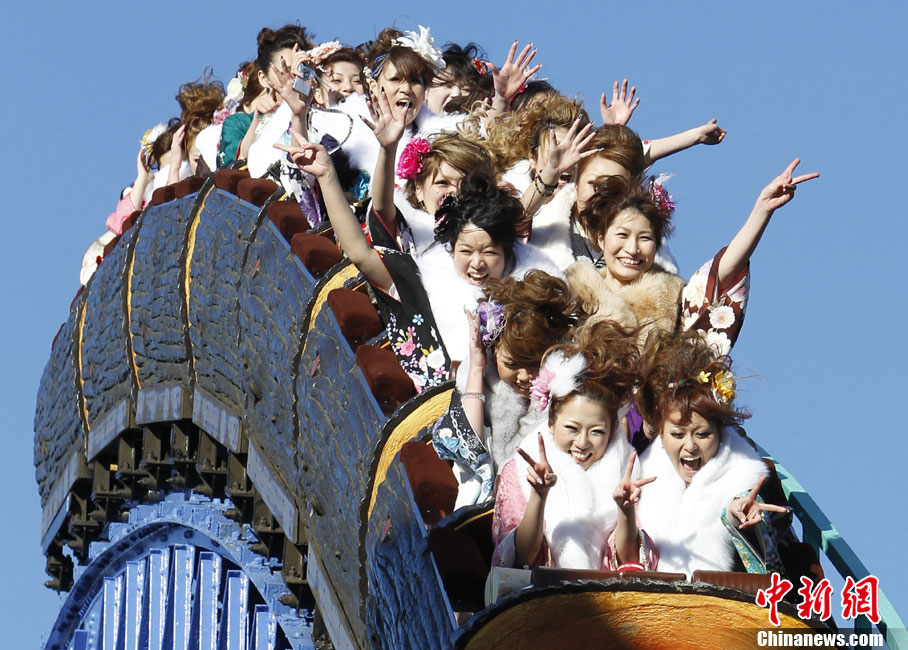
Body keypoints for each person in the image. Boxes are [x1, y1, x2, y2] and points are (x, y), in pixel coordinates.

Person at [566, 159, 819, 355]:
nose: (632, 249)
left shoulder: (673, 295)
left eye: (644, 238)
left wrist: (761, 210)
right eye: (622, 235)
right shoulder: (572, 292)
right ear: (601, 239)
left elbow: (722, 272)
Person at [607, 331, 791, 575]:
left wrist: (740, 517)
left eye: (702, 434)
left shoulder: (746, 474)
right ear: (661, 434)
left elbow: (748, 511)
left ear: (721, 432)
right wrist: (625, 511)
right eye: (677, 435)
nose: (690, 446)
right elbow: (629, 560)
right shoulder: (645, 477)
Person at [490, 325, 641, 569]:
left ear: (612, 430)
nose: (582, 443)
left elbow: (631, 563)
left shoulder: (629, 475)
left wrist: (625, 511)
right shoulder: (518, 470)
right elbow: (519, 560)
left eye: (596, 431)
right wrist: (539, 495)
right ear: (551, 423)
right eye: (572, 428)